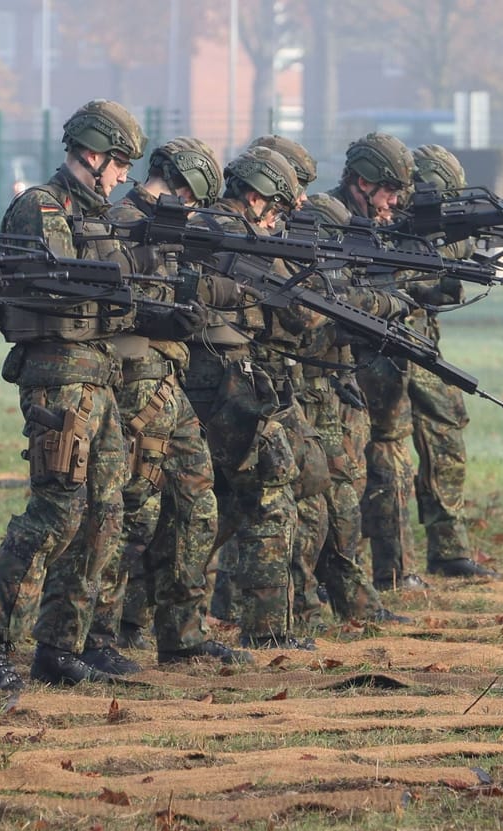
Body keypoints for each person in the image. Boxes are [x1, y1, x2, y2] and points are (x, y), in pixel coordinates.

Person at [0, 99, 151, 689]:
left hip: (100, 376)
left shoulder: (106, 219)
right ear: (91, 155)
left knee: (105, 513)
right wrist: (124, 286)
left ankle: (62, 647)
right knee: (56, 512)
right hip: (59, 377)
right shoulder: (42, 207)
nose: (122, 176)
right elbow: (57, 286)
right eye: (117, 163)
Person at [83, 136, 248, 670]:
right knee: (130, 514)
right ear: (185, 184)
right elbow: (113, 298)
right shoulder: (118, 222)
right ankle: (99, 636)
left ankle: (182, 634)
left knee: (197, 504)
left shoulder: (173, 227)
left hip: (168, 383)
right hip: (132, 384)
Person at [181, 146, 319, 650]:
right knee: (268, 495)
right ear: (255, 196)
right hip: (222, 384)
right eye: (276, 208)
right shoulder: (229, 237)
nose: (277, 219)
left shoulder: (214, 230)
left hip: (218, 382)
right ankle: (266, 629)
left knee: (212, 510)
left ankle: (140, 613)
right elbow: (302, 315)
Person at [324, 133, 426, 592]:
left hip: (383, 369)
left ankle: (393, 573)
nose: (395, 201)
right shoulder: (325, 219)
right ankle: (336, 580)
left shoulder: (387, 222)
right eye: (388, 190)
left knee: (392, 468)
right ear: (362, 182)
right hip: (335, 370)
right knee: (340, 480)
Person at [404, 144, 495, 579]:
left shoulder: (429, 227)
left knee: (446, 433)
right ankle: (379, 564)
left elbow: (443, 289)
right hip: (368, 348)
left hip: (420, 344)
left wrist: (461, 251)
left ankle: (449, 550)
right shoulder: (365, 219)